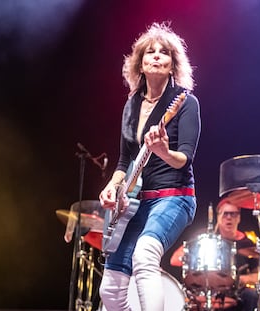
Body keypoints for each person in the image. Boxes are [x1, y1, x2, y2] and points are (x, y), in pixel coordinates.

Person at [98, 21, 201, 311]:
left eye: (164, 52)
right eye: (150, 52)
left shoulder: (184, 103)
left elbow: (185, 158)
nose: (157, 55)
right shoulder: (131, 105)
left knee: (144, 256)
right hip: (135, 203)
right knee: (110, 289)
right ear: (140, 65)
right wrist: (111, 188)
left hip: (175, 197)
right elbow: (124, 161)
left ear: (172, 65)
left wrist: (164, 152)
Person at [170, 200, 259, 311]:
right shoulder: (204, 237)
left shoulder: (247, 244)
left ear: (239, 217)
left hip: (234, 292)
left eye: (233, 214)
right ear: (218, 216)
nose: (229, 217)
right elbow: (174, 260)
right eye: (225, 214)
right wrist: (189, 258)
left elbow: (258, 276)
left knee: (251, 296)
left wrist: (241, 279)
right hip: (204, 288)